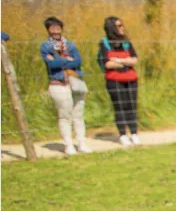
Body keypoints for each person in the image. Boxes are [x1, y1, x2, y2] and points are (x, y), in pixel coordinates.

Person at [40, 16, 91, 155]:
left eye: (58, 27)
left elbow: (78, 61)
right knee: (65, 115)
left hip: (75, 82)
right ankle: (68, 144)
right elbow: (51, 64)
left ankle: (82, 143)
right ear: (48, 30)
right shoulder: (45, 46)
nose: (56, 30)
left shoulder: (70, 44)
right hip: (59, 84)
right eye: (52, 27)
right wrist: (67, 60)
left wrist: (58, 60)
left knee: (78, 115)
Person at [97, 16, 140, 146]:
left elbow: (135, 60)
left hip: (131, 79)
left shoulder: (126, 42)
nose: (122, 27)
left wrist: (118, 60)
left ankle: (134, 133)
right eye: (119, 25)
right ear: (112, 28)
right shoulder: (104, 43)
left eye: (122, 25)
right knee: (120, 106)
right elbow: (107, 64)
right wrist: (127, 62)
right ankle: (122, 134)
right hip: (114, 81)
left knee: (131, 106)